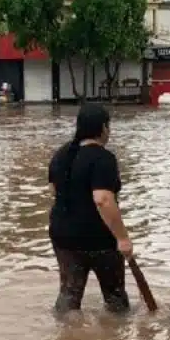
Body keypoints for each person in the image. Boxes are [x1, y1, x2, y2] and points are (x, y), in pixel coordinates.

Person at [48, 104, 133, 314]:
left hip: (63, 236)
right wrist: (122, 238)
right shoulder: (103, 158)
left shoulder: (61, 155)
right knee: (116, 299)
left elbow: (54, 190)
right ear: (103, 127)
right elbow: (103, 199)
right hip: (99, 239)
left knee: (69, 295)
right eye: (108, 126)